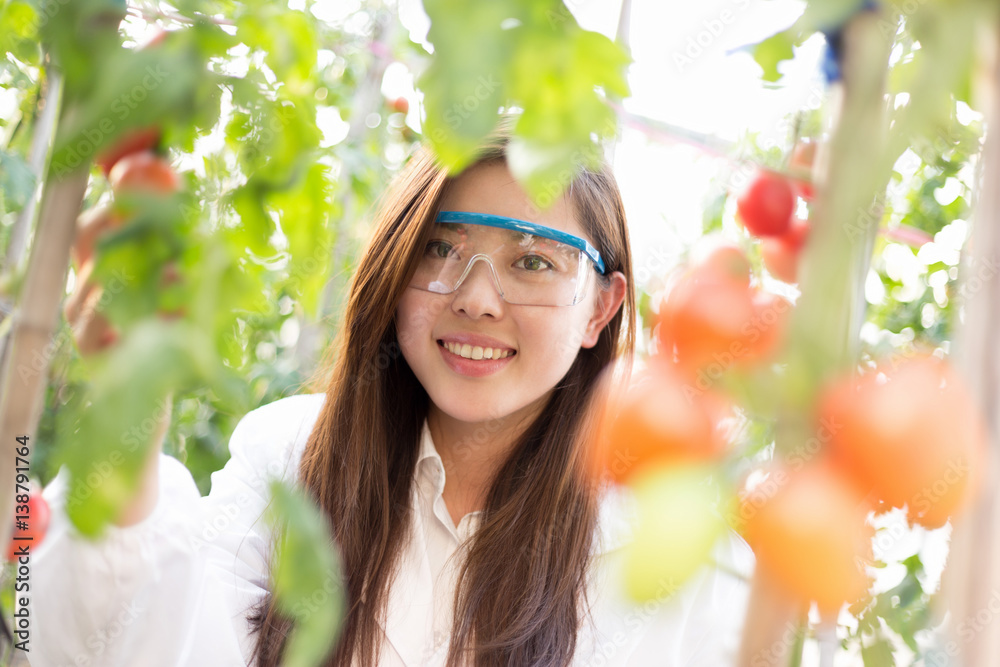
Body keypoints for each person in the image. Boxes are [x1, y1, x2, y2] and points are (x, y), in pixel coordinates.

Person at [31, 116, 753, 667]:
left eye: (532, 261)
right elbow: (102, 643)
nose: (475, 298)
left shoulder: (664, 541)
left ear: (601, 307)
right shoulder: (291, 454)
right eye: (440, 248)